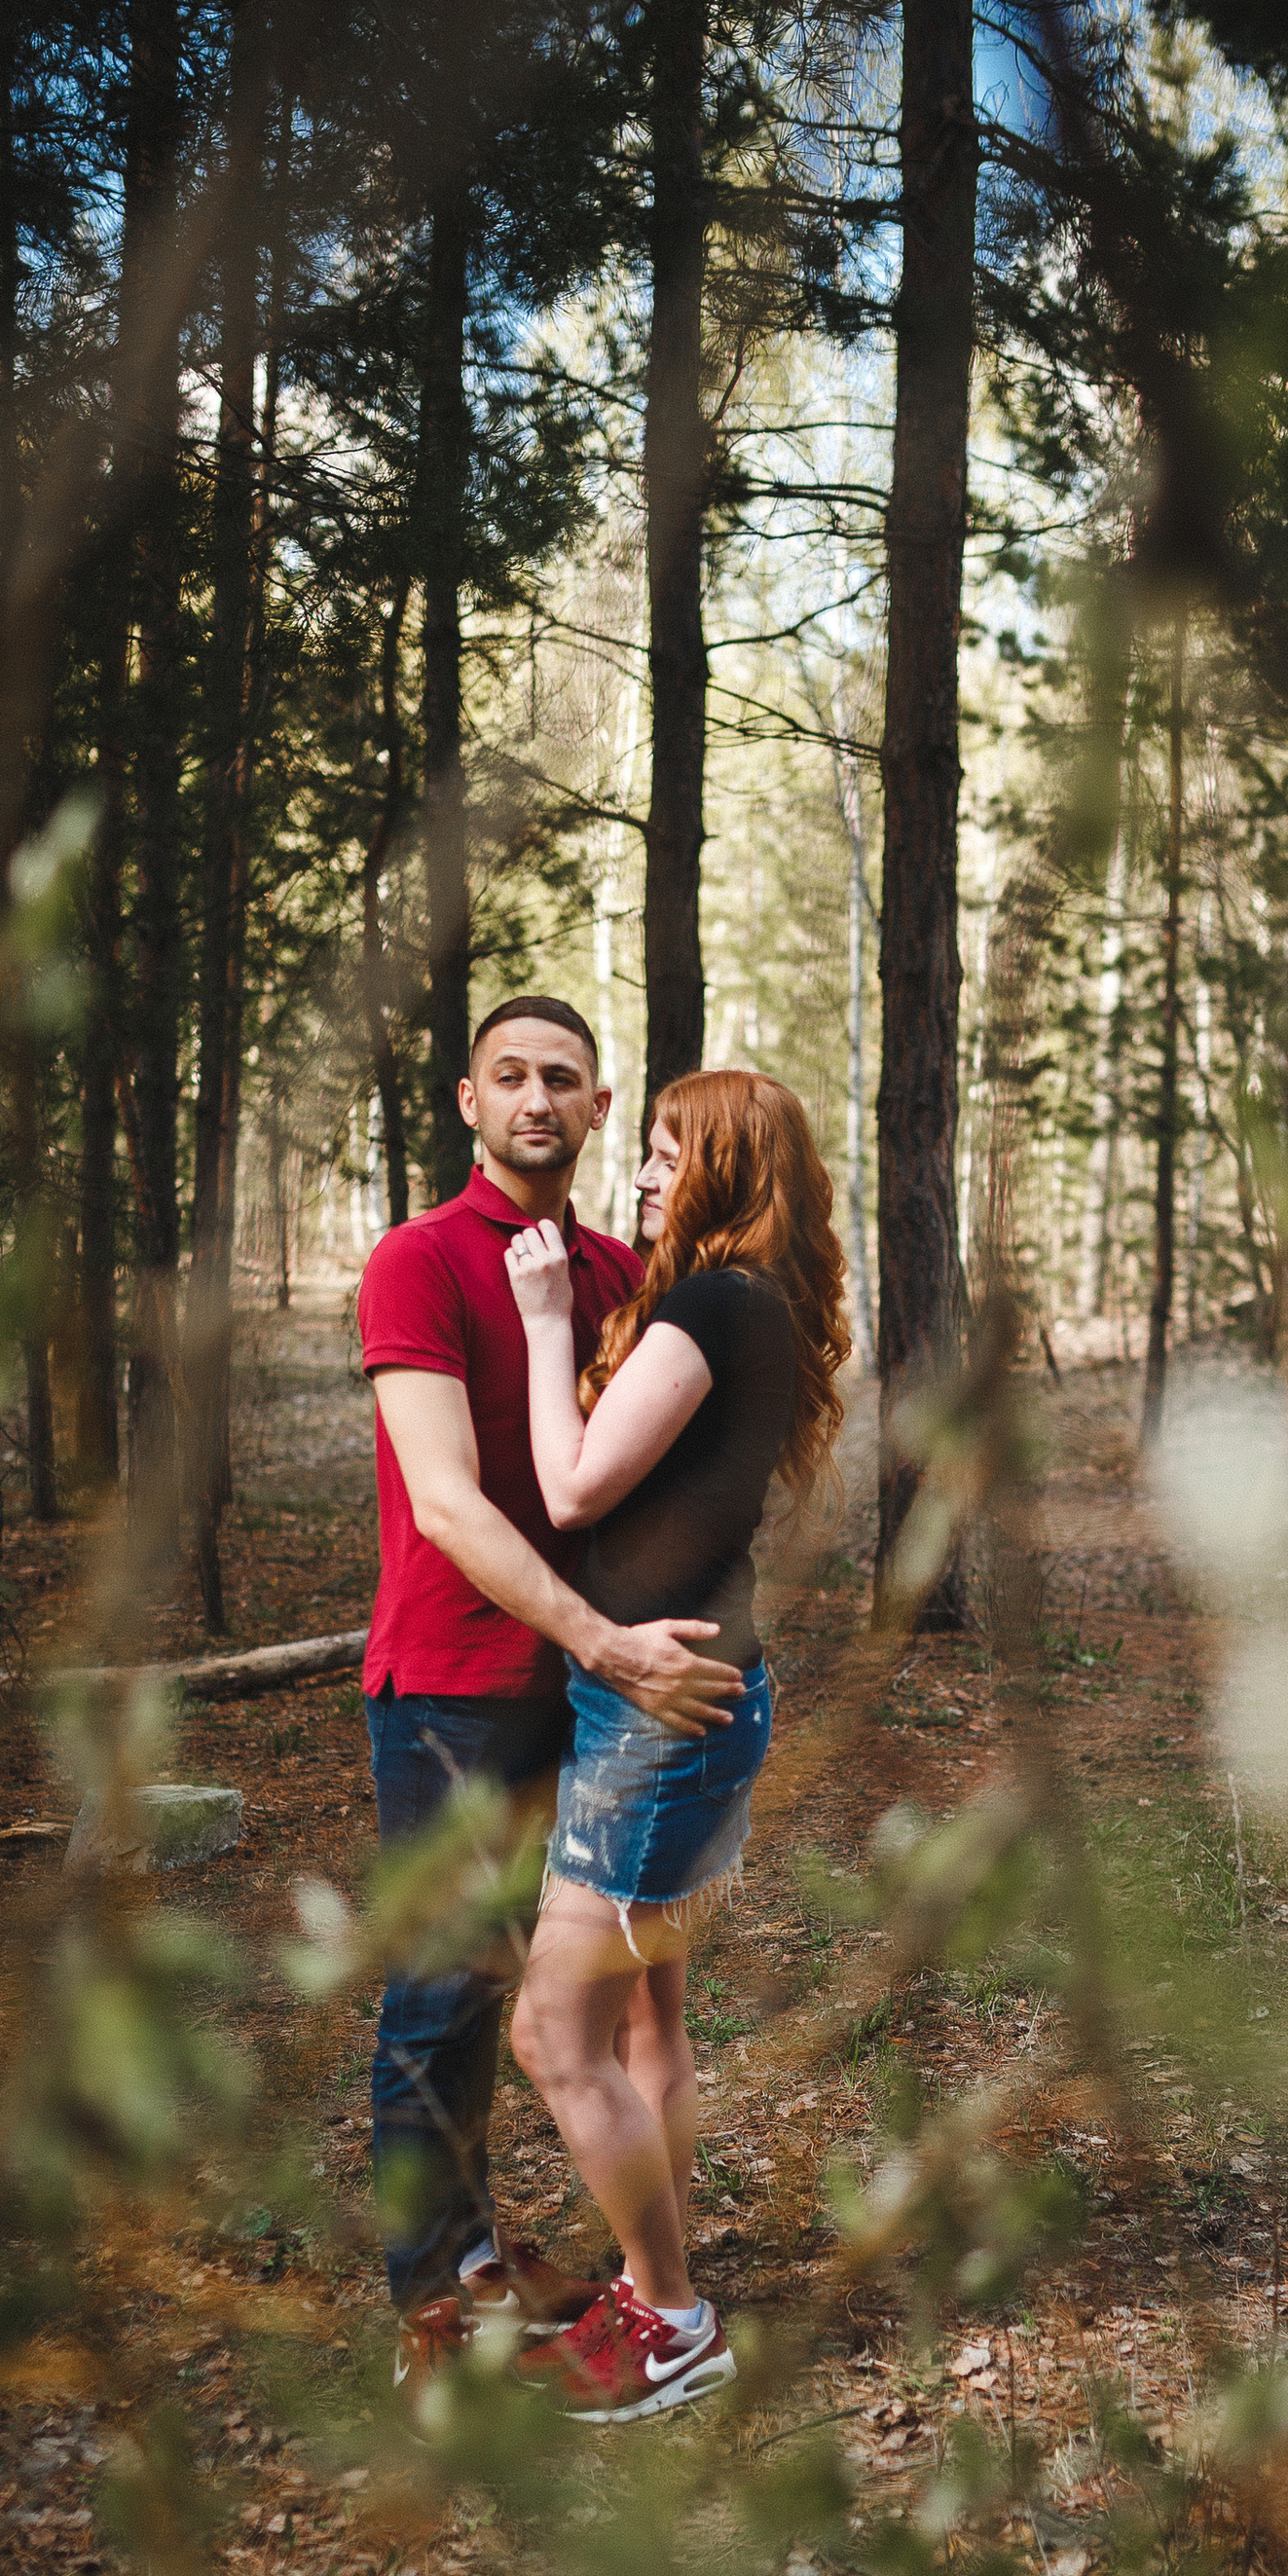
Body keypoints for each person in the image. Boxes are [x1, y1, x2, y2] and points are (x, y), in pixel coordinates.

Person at [356, 998, 744, 2381]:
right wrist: (601, 1638)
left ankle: (493, 2254)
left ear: (596, 1108)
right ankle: (431, 2294)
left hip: (595, 1697)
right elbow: (454, 1505)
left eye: (562, 1081)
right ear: (468, 1100)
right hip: (458, 1681)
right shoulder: (417, 1261)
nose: (536, 1099)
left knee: (574, 1994)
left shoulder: (615, 1268)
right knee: (445, 1991)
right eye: (509, 1076)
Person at [499, 1067, 851, 2425]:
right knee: (650, 2014)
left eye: (661, 1154)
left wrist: (542, 1326)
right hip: (689, 1698)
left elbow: (575, 1481)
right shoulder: (752, 1304)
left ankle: (675, 2322)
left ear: (717, 1170)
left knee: (550, 2028)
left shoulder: (715, 1303)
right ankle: (665, 2289)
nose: (639, 1174)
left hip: (664, 1718)